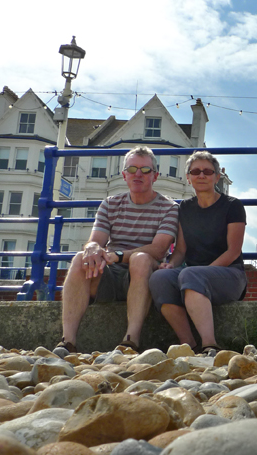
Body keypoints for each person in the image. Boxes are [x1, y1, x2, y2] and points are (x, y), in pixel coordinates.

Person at [53, 147, 179, 355]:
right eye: (132, 169)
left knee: (141, 259)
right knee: (79, 259)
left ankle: (131, 340)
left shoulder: (169, 208)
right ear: (124, 175)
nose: (138, 174)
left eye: (145, 170)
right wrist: (92, 248)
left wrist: (119, 255)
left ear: (155, 176)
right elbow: (95, 241)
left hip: (145, 273)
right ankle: (67, 342)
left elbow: (158, 250)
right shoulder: (110, 204)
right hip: (110, 271)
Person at [149, 151, 246, 356]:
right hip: (191, 276)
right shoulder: (184, 208)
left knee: (190, 274)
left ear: (217, 177)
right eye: (195, 171)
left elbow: (233, 251)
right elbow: (181, 251)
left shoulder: (233, 206)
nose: (201, 175)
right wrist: (171, 264)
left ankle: (210, 346)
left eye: (208, 171)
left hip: (229, 275)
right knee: (159, 278)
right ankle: (189, 345)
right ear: (188, 177)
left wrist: (202, 274)